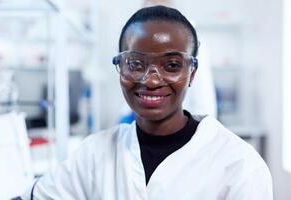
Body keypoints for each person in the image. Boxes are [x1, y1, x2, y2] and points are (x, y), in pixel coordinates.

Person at [22, 5, 273, 200]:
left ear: (192, 73)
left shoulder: (239, 164)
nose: (151, 81)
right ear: (120, 67)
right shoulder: (95, 152)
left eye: (172, 65)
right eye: (136, 63)